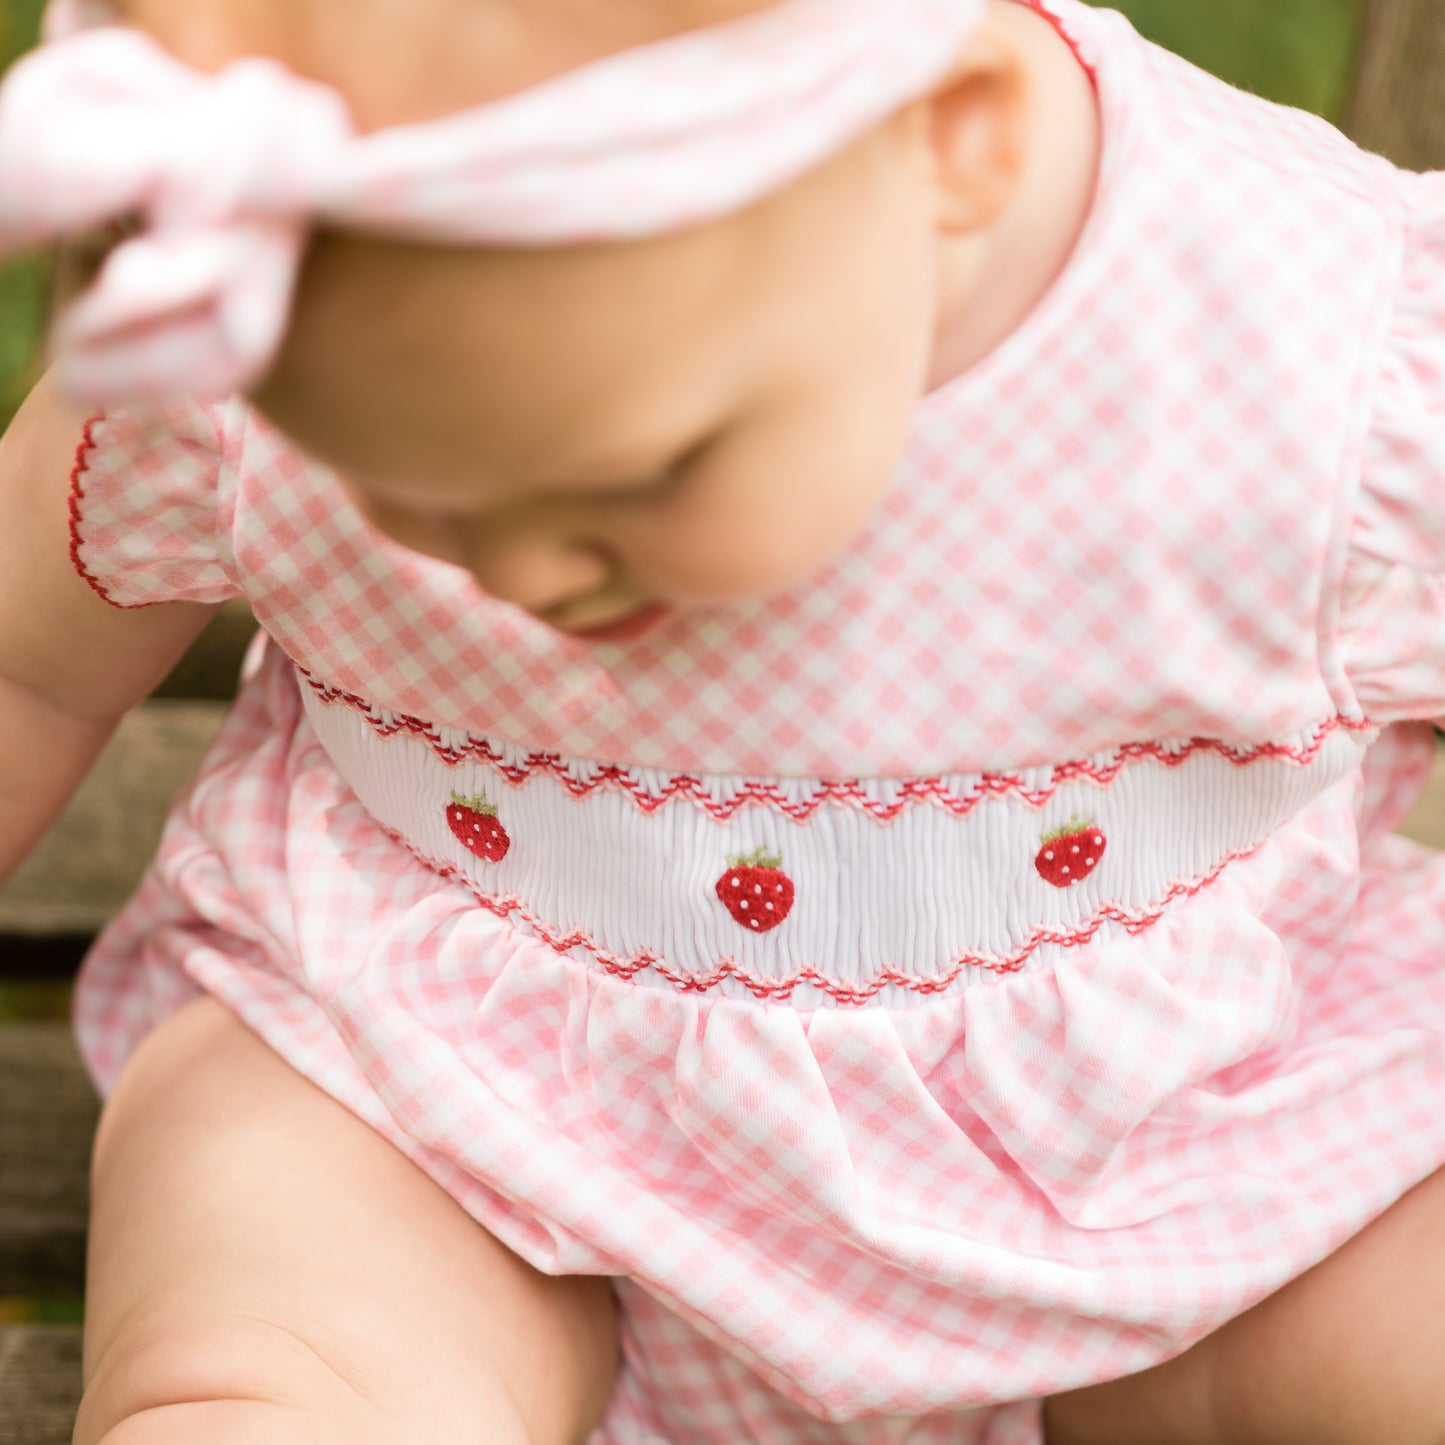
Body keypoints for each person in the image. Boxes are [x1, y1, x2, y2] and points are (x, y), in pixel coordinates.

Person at [2, 0, 1444, 1439]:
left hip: (1188, 1156)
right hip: (440, 1092)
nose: (514, 572)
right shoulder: (254, 315)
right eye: (406, 493)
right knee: (272, 1345)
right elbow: (24, 664)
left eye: (638, 474)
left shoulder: (1302, 343)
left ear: (951, 142)